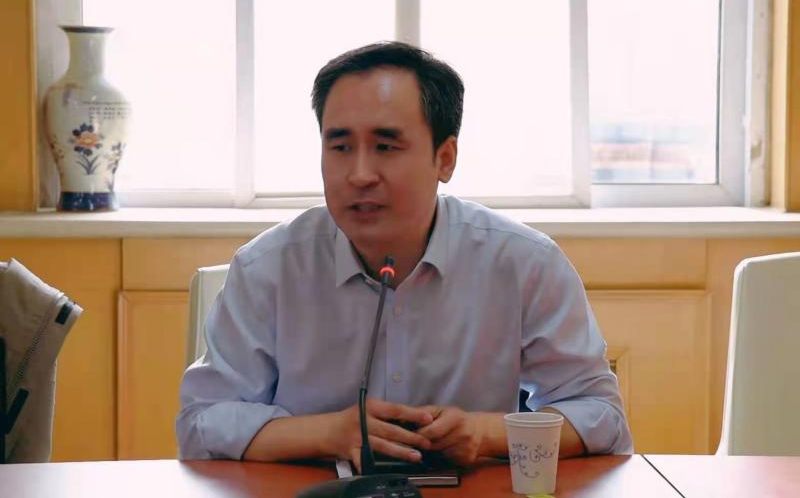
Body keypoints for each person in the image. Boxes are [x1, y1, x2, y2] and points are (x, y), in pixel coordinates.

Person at [176, 41, 633, 468]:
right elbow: (201, 422)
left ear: (445, 158)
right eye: (340, 147)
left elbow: (600, 415)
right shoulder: (268, 268)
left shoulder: (524, 264)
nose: (359, 174)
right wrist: (328, 434)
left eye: (385, 147)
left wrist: (486, 433)